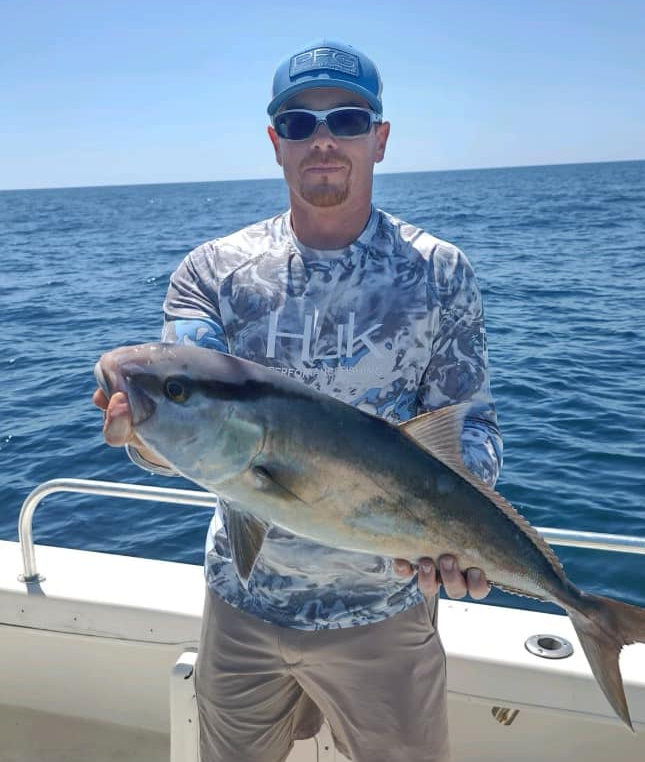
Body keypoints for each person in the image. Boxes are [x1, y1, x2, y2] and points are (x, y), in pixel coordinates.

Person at [93, 40, 503, 762]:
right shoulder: (213, 272)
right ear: (274, 143)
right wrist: (137, 420)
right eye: (298, 122)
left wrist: (459, 526)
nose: (323, 139)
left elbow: (472, 430)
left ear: (379, 139)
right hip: (242, 604)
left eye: (346, 120)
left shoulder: (439, 273)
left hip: (388, 610)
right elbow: (181, 409)